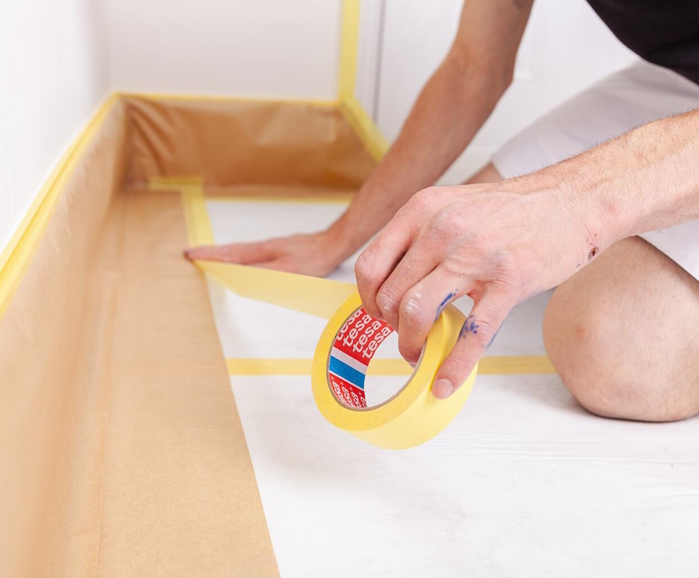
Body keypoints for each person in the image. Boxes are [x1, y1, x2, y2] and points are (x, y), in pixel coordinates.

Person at [186, 0, 699, 421]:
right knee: (445, 249)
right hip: (680, 86)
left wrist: (574, 203)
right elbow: (473, 66)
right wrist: (337, 239)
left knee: (612, 351)